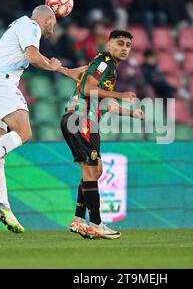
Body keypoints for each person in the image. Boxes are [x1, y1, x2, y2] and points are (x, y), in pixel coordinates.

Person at [0, 5, 86, 233]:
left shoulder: (20, 26)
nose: (54, 27)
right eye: (55, 22)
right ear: (48, 18)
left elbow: (36, 57)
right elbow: (33, 56)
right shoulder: (31, 26)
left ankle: (4, 207)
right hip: (2, 82)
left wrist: (66, 71)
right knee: (24, 132)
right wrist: (55, 68)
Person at [61, 30, 144, 240]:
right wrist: (121, 95)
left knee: (95, 171)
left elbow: (104, 103)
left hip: (82, 120)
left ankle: (79, 220)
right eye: (120, 43)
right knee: (91, 172)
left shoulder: (108, 66)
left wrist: (131, 113)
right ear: (109, 45)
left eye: (128, 45)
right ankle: (97, 224)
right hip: (81, 120)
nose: (124, 48)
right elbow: (89, 90)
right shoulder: (104, 61)